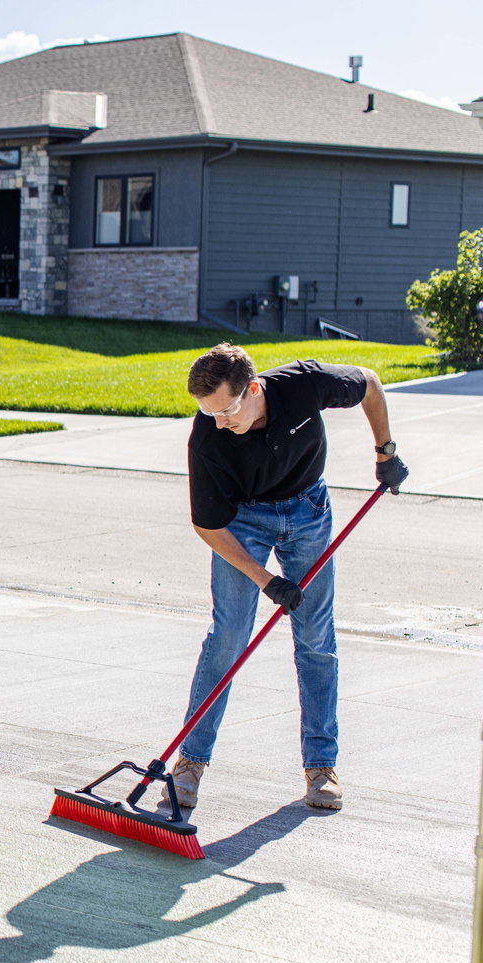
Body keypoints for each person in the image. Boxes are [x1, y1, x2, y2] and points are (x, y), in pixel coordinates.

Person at [173, 344, 408, 812]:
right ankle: (189, 765)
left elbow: (371, 383)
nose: (219, 422)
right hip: (242, 524)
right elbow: (208, 526)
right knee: (228, 638)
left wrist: (385, 452)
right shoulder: (208, 437)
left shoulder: (303, 384)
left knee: (317, 639)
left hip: (309, 510)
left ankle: (321, 767)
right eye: (208, 412)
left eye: (227, 410)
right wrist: (266, 580)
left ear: (253, 389)